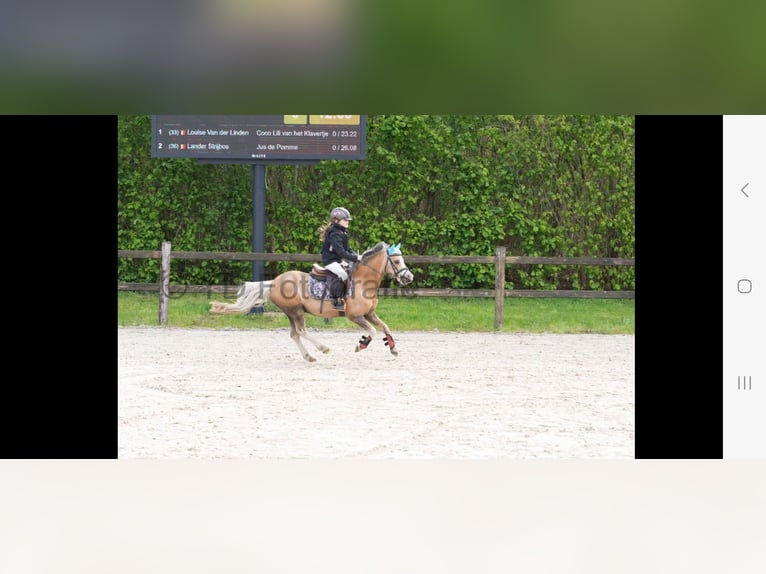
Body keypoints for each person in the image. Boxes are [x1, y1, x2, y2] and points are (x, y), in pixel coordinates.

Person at [318, 206, 362, 309]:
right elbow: (342, 252)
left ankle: (349, 296)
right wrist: (355, 259)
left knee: (352, 270)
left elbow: (348, 249)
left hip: (337, 260)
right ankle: (334, 299)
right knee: (343, 274)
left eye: (348, 220)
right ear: (336, 220)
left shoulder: (343, 232)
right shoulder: (334, 233)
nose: (347, 222)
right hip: (330, 261)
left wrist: (357, 256)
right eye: (345, 220)